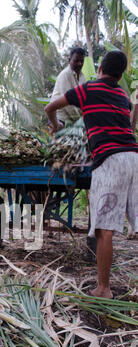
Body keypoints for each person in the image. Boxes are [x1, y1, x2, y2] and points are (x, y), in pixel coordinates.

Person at [45, 50, 138, 299]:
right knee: (133, 224)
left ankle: (103, 289)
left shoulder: (87, 89)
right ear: (120, 76)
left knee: (104, 229)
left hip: (110, 160)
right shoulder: (122, 94)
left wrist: (55, 127)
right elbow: (128, 124)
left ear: (99, 70)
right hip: (133, 157)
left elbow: (50, 107)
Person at [50, 47, 86, 127]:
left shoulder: (82, 76)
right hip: (59, 118)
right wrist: (80, 119)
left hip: (72, 119)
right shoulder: (65, 74)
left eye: (82, 61)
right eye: (76, 61)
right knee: (59, 139)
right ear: (69, 60)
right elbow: (68, 102)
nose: (79, 63)